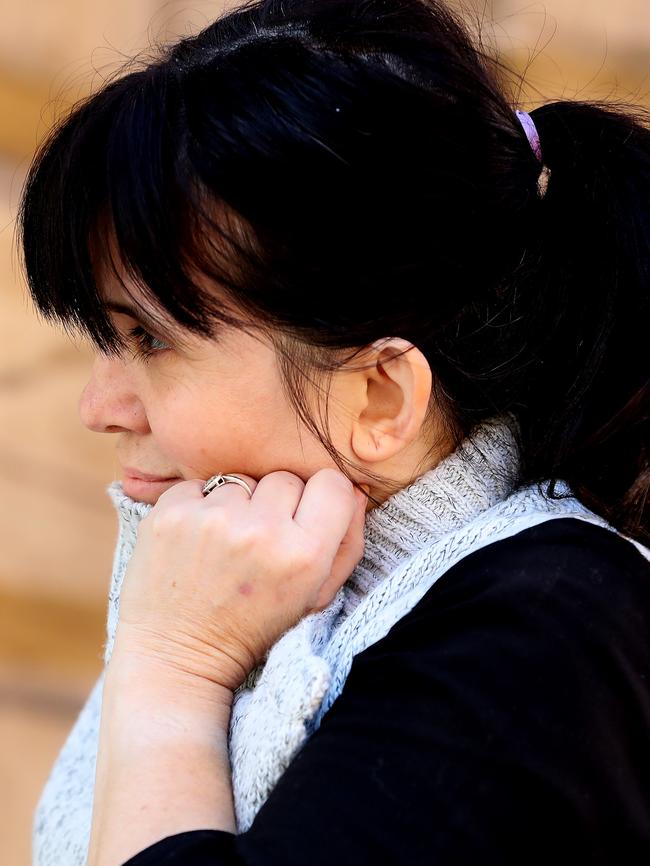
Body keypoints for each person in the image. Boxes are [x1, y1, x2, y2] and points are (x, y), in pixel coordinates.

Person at [19, 0, 650, 864]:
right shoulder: (253, 592)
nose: (100, 408)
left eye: (149, 338)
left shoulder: (546, 630)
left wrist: (173, 672)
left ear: (381, 397)